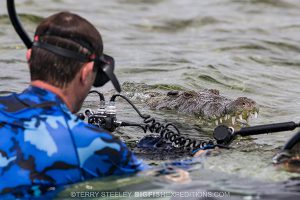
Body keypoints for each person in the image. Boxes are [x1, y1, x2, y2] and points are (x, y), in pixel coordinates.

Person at [0, 12, 146, 197]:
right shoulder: (99, 145)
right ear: (86, 73)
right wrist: (192, 161)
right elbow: (161, 182)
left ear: (29, 57)